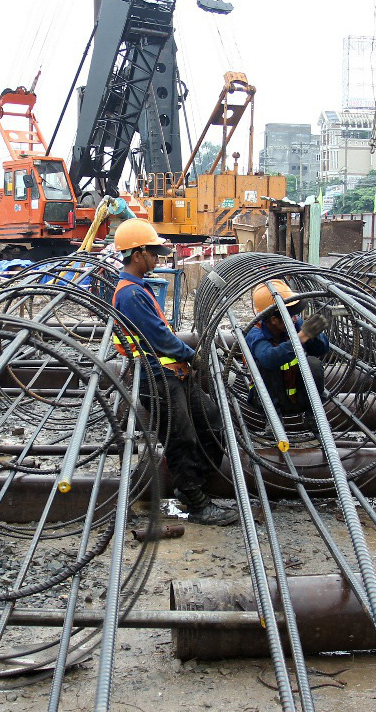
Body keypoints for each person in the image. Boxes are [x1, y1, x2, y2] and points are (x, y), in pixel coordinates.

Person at [111, 220, 236, 526]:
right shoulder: (130, 295)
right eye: (153, 252)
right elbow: (160, 339)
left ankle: (193, 486)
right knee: (182, 438)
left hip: (173, 375)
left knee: (211, 420)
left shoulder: (138, 289)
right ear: (138, 254)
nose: (158, 257)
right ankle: (196, 503)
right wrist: (193, 356)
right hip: (159, 379)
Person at [246, 280, 331, 414]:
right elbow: (268, 358)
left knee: (313, 363)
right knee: (266, 365)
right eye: (290, 315)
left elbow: (321, 350)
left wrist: (315, 335)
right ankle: (273, 416)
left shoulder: (294, 324)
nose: (295, 318)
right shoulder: (255, 333)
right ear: (274, 320)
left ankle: (312, 413)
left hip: (297, 397)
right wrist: (302, 337)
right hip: (267, 401)